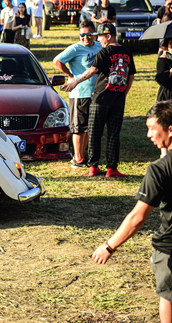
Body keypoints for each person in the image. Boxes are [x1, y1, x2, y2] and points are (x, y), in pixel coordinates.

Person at [91, 100, 172, 323]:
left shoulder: (159, 170)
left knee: (168, 296)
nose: (148, 135)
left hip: (170, 248)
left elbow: (138, 217)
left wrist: (109, 246)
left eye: (152, 129)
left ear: (170, 129)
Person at [61, 23, 136, 178]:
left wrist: (75, 81)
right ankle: (112, 169)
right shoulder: (127, 52)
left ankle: (93, 167)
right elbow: (130, 76)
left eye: (100, 36)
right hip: (118, 100)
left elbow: (92, 70)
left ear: (108, 36)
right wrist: (123, 94)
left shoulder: (104, 52)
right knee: (114, 134)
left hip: (100, 99)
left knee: (95, 133)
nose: (98, 39)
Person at [54, 21, 102, 168]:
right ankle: (77, 158)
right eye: (82, 34)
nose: (85, 37)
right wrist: (69, 75)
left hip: (95, 92)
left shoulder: (99, 46)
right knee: (79, 127)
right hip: (80, 93)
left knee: (89, 126)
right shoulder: (75, 48)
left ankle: (82, 155)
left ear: (94, 34)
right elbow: (57, 60)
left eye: (89, 34)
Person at [155, 38, 172, 158]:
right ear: (166, 45)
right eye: (171, 43)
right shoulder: (163, 59)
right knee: (165, 124)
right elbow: (160, 79)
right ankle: (164, 154)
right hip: (166, 95)